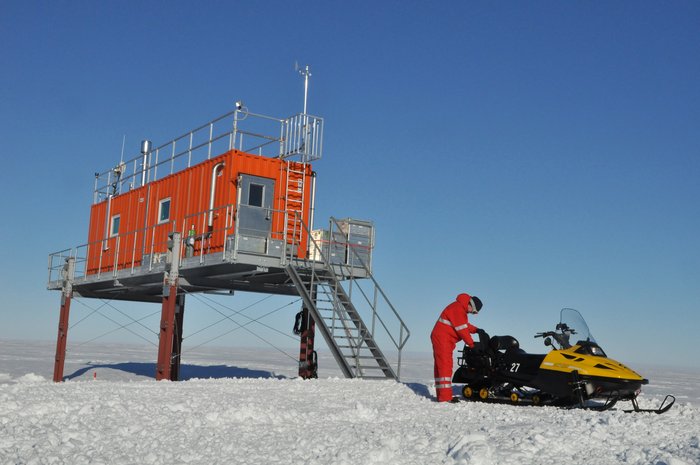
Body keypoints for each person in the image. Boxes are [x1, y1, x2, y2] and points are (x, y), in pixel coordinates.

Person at [431, 293, 483, 402]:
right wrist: (472, 345)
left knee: (441, 366)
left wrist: (476, 330)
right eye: (472, 311)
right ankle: (445, 398)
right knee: (445, 366)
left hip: (443, 338)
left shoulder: (459, 308)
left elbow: (464, 325)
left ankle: (442, 396)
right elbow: (462, 330)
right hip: (443, 338)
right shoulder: (458, 309)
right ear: (471, 305)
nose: (471, 313)